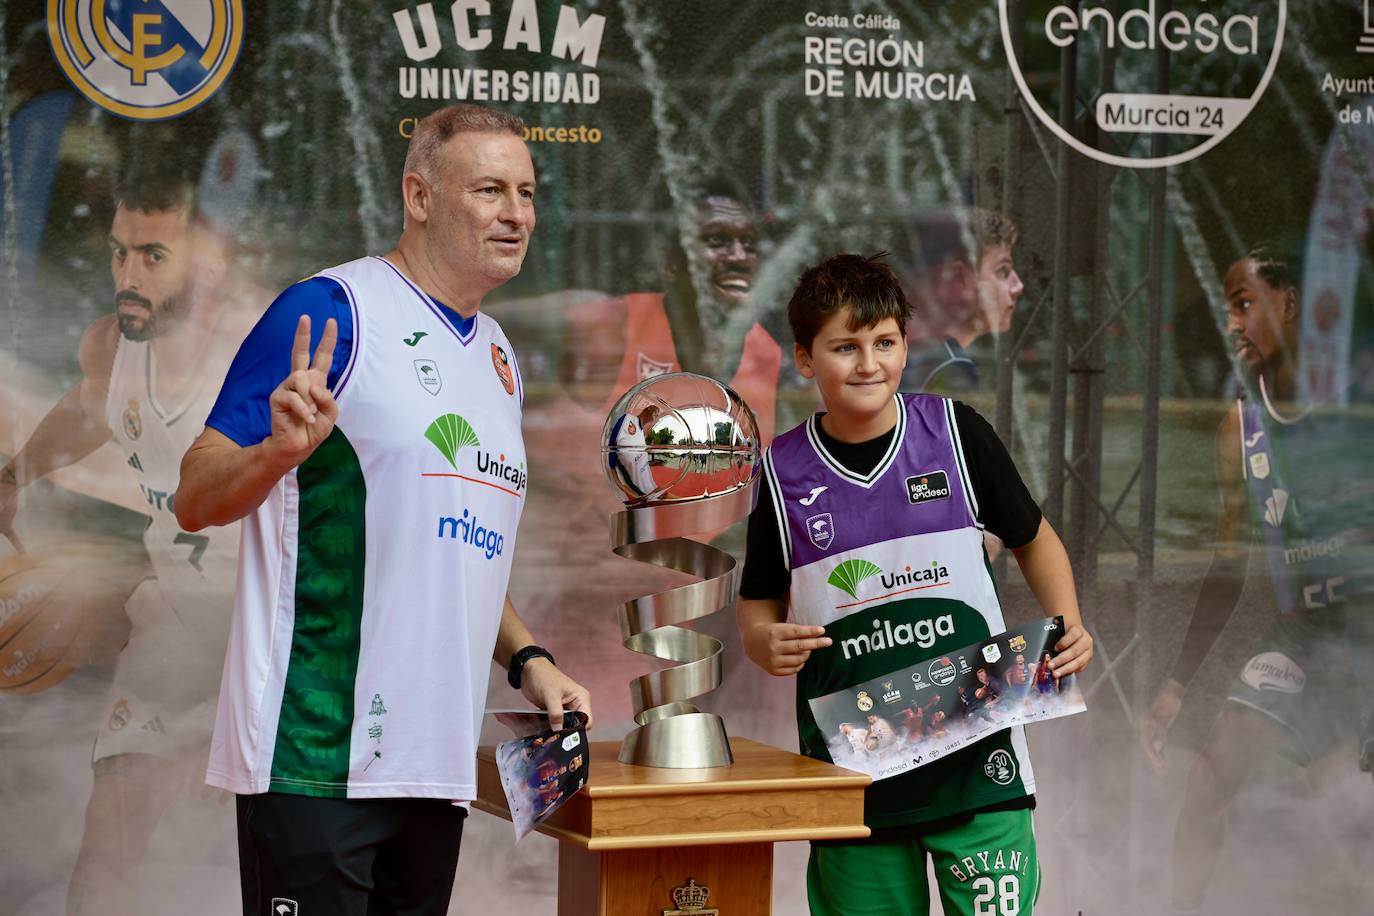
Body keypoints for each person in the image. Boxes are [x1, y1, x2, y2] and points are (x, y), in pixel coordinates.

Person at [173, 103, 592, 915]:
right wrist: (275, 455)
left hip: (434, 765)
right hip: (315, 758)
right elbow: (194, 492)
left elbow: (452, 546)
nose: (517, 214)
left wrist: (529, 657)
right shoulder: (332, 311)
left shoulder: (499, 354)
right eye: (490, 190)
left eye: (528, 193)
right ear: (421, 196)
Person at [737, 253, 1092, 916]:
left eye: (885, 343)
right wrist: (761, 640)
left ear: (905, 344)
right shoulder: (779, 472)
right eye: (845, 347)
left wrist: (1067, 623)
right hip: (856, 771)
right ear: (806, 359)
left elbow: (1034, 540)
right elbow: (757, 596)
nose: (869, 363)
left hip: (978, 759)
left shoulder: (958, 435)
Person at [0, 161, 259, 915]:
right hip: (174, 633)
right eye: (120, 251)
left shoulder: (258, 351)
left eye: (153, 255)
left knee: (273, 858)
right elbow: (91, 409)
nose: (129, 273)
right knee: (109, 827)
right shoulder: (111, 347)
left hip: (277, 645)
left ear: (208, 260)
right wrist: (17, 475)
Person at [1138, 244, 1374, 914]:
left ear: (1289, 305)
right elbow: (1226, 565)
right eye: (1227, 308)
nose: (1233, 323)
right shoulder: (1240, 423)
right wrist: (1178, 684)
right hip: (1303, 635)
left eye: (1245, 304)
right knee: (1211, 774)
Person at [898, 208, 1025, 395]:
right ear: (956, 277)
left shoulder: (890, 356)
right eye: (1002, 271)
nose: (1018, 286)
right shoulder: (948, 367)